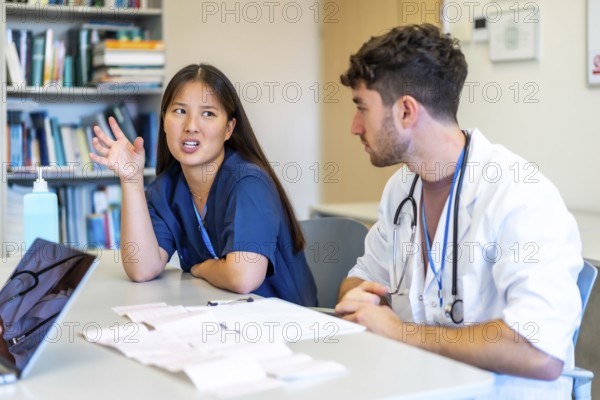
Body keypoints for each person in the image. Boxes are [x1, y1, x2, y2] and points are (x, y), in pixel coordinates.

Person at [334, 24, 583, 397]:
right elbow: (359, 279)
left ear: (405, 111)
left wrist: (400, 332)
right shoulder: (401, 189)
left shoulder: (520, 195)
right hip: (415, 385)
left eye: (362, 108)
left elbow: (539, 352)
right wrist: (361, 298)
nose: (354, 127)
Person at [90, 64, 317, 307]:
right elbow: (141, 269)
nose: (191, 126)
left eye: (208, 113)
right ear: (164, 121)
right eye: (179, 111)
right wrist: (131, 180)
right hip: (222, 325)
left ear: (229, 128)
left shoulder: (249, 182)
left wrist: (204, 268)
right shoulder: (166, 189)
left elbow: (243, 277)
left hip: (286, 328)